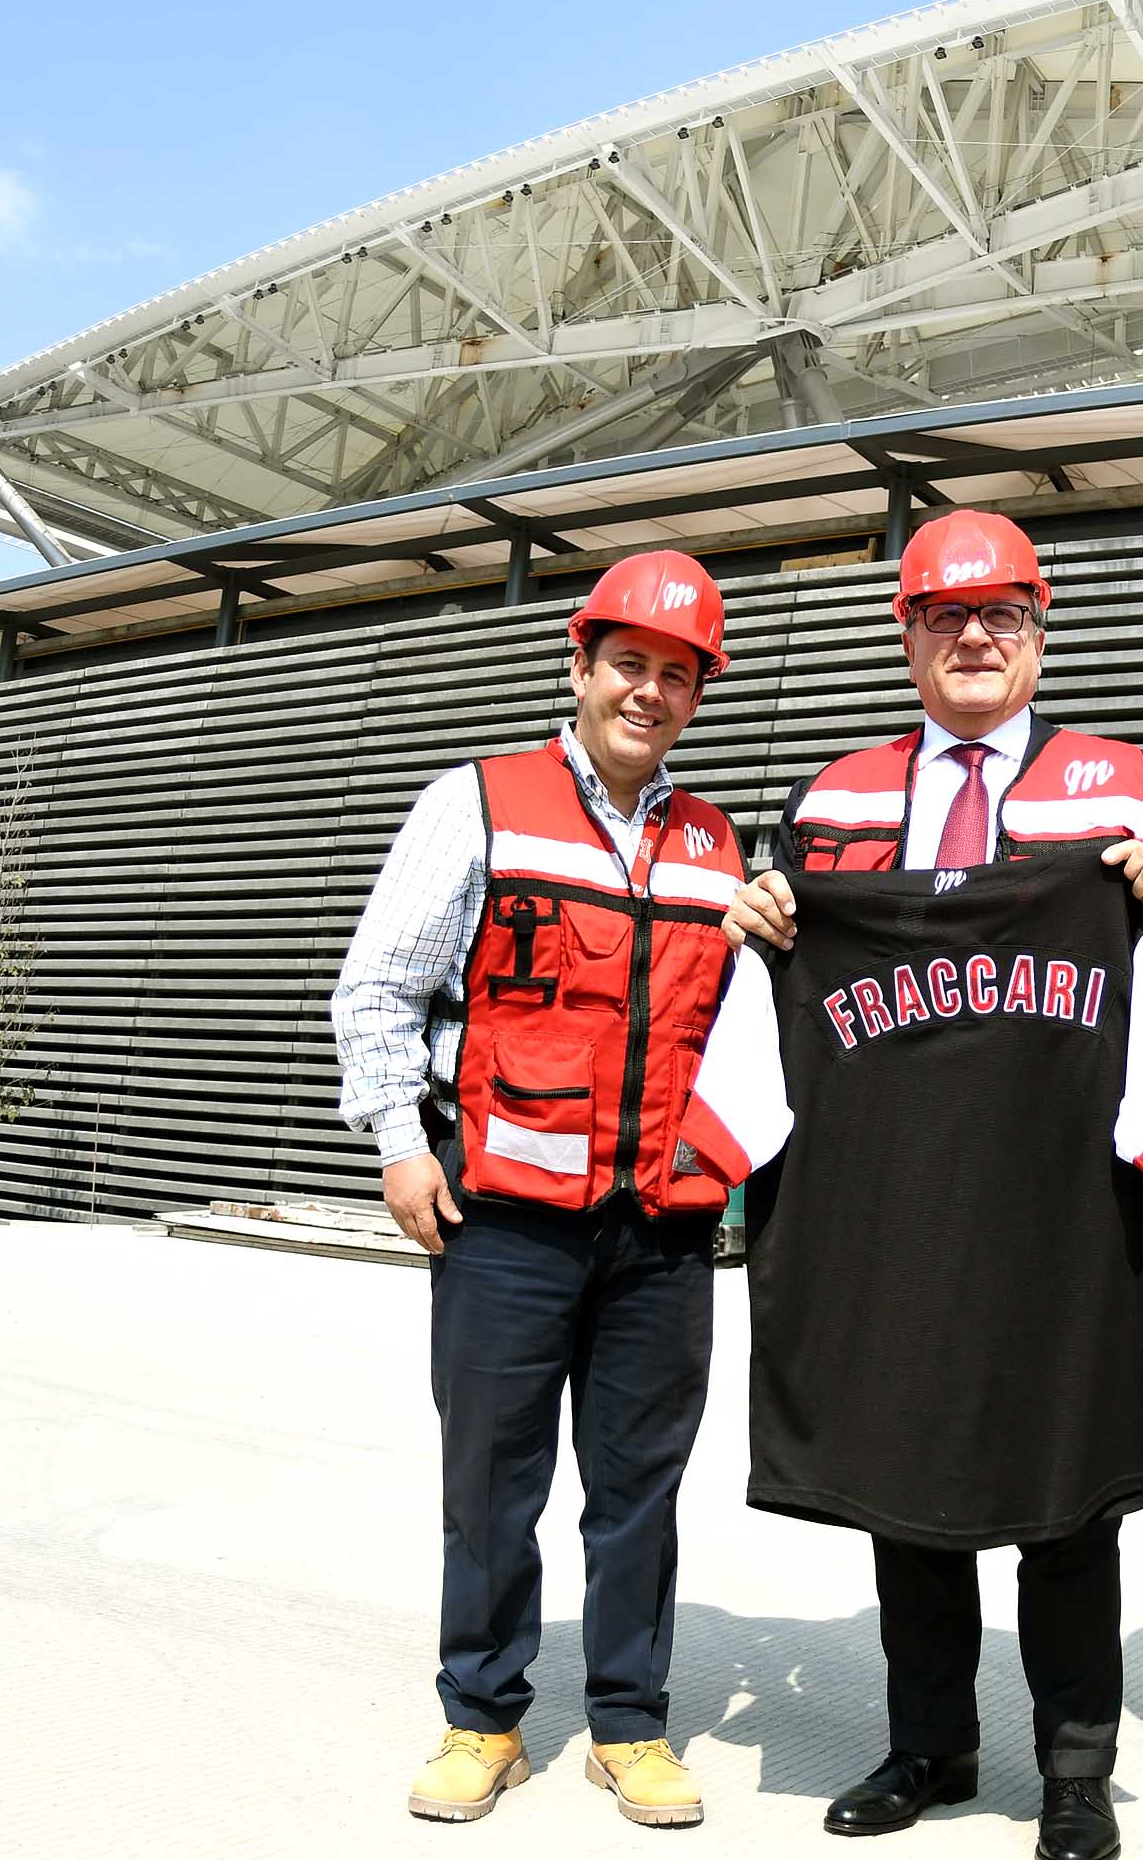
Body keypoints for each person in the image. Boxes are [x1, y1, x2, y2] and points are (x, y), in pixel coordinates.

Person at [724, 507, 1143, 1860]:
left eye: (1001, 613)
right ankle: (929, 1746)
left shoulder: (1124, 778)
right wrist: (761, 922)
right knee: (907, 1483)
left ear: (1039, 633)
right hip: (893, 1203)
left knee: (1067, 1502)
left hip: (1065, 1211)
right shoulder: (831, 797)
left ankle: (1074, 1771)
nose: (975, 635)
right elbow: (790, 975)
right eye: (946, 615)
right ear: (908, 638)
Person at [330, 550, 748, 1829]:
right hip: (501, 1217)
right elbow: (377, 985)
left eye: (677, 674)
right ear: (580, 665)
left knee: (639, 1489)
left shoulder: (715, 840)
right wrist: (401, 1140)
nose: (651, 691)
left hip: (660, 1231)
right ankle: (483, 1717)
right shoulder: (478, 802)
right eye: (631, 663)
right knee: (492, 1478)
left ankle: (629, 1723)